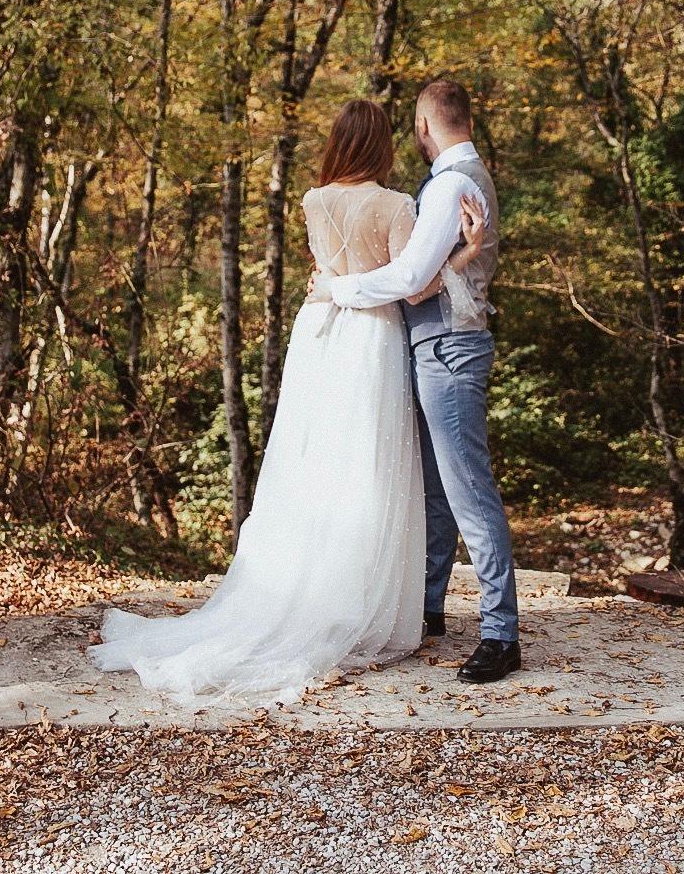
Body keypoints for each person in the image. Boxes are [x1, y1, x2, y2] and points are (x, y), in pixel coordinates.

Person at [88, 99, 484, 703]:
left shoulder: (313, 200)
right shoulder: (396, 204)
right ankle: (356, 601)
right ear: (381, 145)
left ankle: (300, 590)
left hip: (318, 333)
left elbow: (325, 269)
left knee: (312, 462)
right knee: (368, 467)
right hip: (371, 336)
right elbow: (416, 288)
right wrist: (466, 253)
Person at [322, 79, 521, 685]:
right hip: (441, 342)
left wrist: (340, 289)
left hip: (450, 348)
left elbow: (412, 277)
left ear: (425, 126)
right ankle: (429, 605)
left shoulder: (451, 185)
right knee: (437, 488)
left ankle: (500, 633)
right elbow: (438, 273)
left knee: (467, 489)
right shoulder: (465, 179)